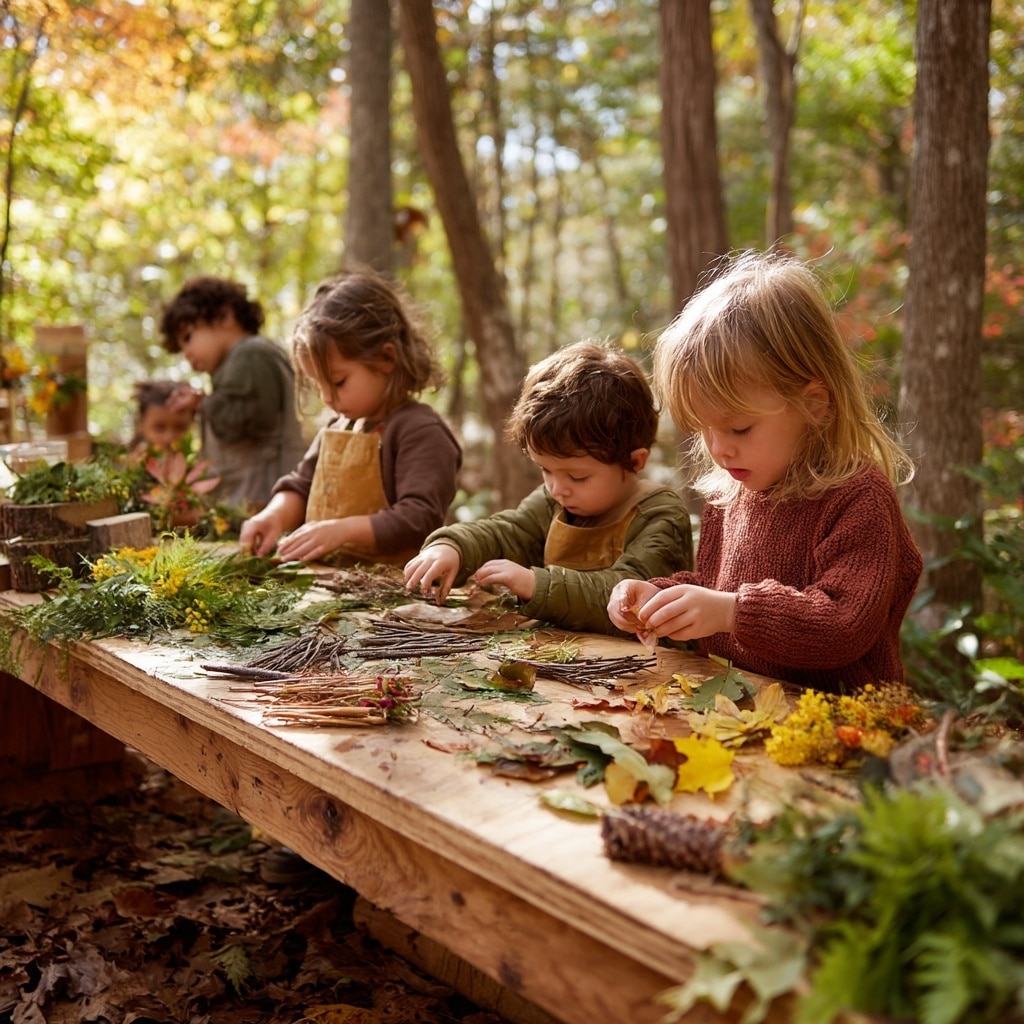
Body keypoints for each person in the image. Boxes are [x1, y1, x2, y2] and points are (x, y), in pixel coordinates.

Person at [607, 250, 923, 692]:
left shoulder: (858, 497)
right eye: (704, 429)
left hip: (836, 723)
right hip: (744, 707)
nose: (718, 448)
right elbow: (716, 589)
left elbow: (843, 625)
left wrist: (731, 612)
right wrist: (658, 597)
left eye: (738, 427)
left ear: (814, 404)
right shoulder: (734, 492)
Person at [404, 340, 694, 635]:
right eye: (545, 470)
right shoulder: (555, 502)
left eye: (577, 477)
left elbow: (629, 594)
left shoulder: (660, 515)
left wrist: (535, 584)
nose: (557, 488)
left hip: (650, 668)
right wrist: (454, 546)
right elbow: (509, 532)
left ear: (634, 462)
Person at [239, 268, 462, 567]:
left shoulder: (421, 431)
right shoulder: (338, 426)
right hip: (330, 584)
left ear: (386, 358)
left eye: (338, 381)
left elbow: (419, 518)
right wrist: (273, 516)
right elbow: (303, 486)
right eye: (319, 385)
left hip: (395, 591)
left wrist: (341, 531)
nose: (327, 398)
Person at [159, 276, 308, 512]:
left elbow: (246, 420)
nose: (186, 353)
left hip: (264, 495)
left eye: (188, 337)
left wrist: (201, 403)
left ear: (225, 316)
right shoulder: (236, 362)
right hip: (253, 499)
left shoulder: (251, 354)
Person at [129, 380, 195, 453]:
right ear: (141, 424)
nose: (169, 438)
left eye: (180, 427)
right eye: (159, 428)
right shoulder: (128, 461)